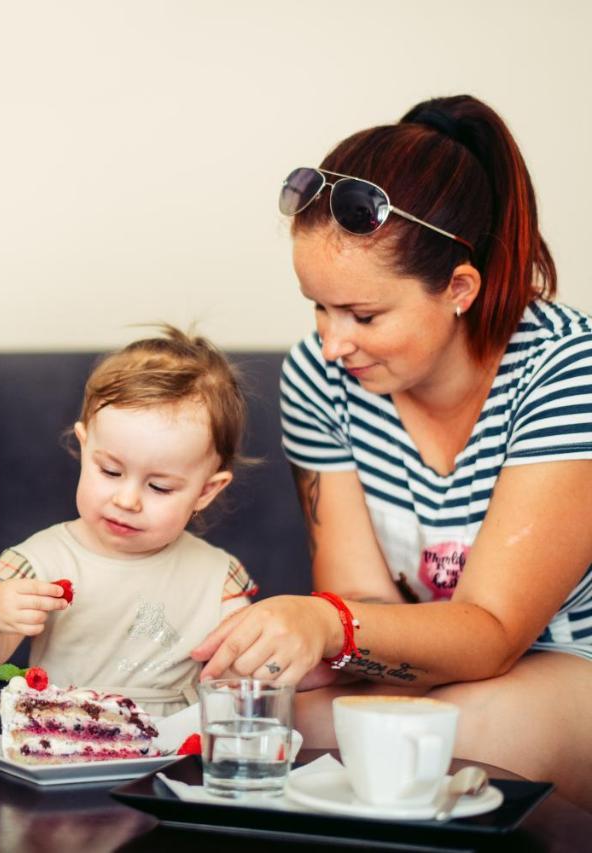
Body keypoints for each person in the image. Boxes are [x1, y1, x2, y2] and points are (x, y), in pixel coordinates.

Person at [190, 95, 592, 809]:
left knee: (451, 739)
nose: (332, 341)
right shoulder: (321, 375)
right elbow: (366, 601)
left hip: (568, 661)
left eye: (363, 314)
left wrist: (327, 626)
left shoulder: (566, 369)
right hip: (432, 665)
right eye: (318, 305)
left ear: (459, 288)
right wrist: (319, 646)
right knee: (243, 724)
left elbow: (494, 631)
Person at [0, 327, 258, 716]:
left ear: (205, 491)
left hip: (175, 744)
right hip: (65, 733)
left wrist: (248, 664)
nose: (127, 500)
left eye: (160, 487)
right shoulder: (38, 562)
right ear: (85, 449)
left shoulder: (219, 575)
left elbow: (243, 674)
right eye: (111, 471)